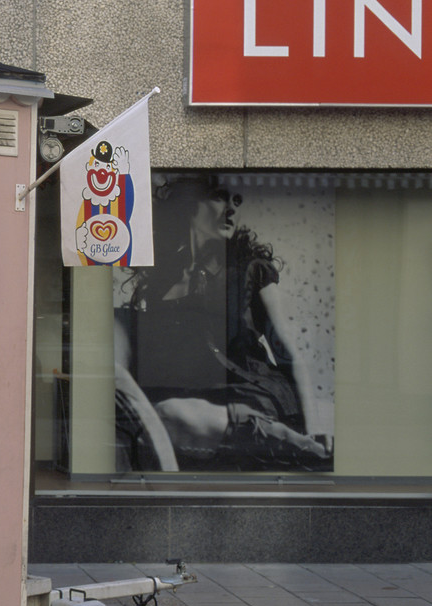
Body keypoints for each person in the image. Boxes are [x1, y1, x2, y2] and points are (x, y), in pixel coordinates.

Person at [114, 176, 331, 471]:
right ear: (188, 204)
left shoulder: (250, 269)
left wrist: (314, 428)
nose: (231, 208)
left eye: (237, 201)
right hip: (197, 401)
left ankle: (306, 451)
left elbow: (288, 352)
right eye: (219, 196)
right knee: (168, 413)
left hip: (252, 395)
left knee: (174, 413)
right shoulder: (160, 285)